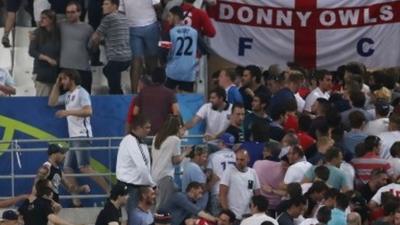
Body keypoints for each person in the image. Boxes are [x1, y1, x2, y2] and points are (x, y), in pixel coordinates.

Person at [48, 70, 109, 206]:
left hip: (82, 135)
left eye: (63, 79)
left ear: (71, 79)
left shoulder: (82, 93)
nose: (62, 82)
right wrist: (57, 84)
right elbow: (52, 102)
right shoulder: (68, 95)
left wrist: (68, 112)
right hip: (73, 137)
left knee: (84, 167)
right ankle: (76, 199)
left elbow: (89, 111)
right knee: (68, 168)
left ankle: (110, 192)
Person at [116, 114, 155, 223]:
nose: (149, 130)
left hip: (135, 187)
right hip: (131, 188)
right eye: (147, 127)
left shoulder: (139, 142)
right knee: (134, 220)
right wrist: (152, 185)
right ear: (138, 128)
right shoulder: (131, 141)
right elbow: (142, 167)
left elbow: (145, 167)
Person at [90, 0, 131, 94]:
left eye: (106, 4)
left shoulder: (108, 18)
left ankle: (118, 96)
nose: (102, 6)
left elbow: (95, 37)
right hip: (127, 58)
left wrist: (92, 47)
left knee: (108, 72)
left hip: (116, 58)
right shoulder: (124, 17)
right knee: (111, 72)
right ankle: (118, 92)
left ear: (114, 6)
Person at [118, 0, 160, 93]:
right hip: (150, 24)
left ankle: (134, 93)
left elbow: (121, 11)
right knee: (152, 59)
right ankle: (154, 90)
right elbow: (157, 5)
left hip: (132, 26)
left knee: (136, 61)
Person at [151, 115, 191, 209]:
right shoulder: (175, 140)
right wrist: (185, 152)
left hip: (154, 176)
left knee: (156, 205)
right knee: (162, 207)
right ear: (178, 127)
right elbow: (176, 160)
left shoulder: (157, 137)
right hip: (165, 177)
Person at [59, 1, 94, 93]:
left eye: (73, 12)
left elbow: (93, 49)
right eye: (68, 12)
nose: (70, 15)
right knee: (65, 101)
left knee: (84, 99)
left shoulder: (88, 28)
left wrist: (96, 43)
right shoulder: (60, 25)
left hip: (83, 69)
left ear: (79, 12)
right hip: (65, 69)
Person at [133, 67, 180, 135]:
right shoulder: (170, 93)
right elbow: (176, 112)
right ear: (165, 79)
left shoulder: (143, 92)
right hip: (162, 134)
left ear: (152, 79)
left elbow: (135, 112)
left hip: (145, 133)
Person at [220, 148, 261, 219]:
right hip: (233, 214)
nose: (239, 162)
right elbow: (222, 193)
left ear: (248, 159)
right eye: (237, 159)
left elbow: (257, 193)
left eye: (242, 160)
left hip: (248, 214)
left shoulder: (252, 172)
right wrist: (227, 212)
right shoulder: (229, 171)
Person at [165, 6, 198, 93]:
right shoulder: (194, 32)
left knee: (168, 100)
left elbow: (163, 51)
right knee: (186, 102)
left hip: (173, 72)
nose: (167, 19)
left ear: (176, 17)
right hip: (189, 73)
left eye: (169, 16)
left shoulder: (170, 32)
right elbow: (205, 50)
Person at [28, 9, 60, 96]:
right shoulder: (37, 33)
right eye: (40, 18)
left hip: (55, 73)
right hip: (41, 72)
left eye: (44, 18)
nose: (41, 20)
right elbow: (32, 51)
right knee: (41, 99)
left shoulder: (58, 33)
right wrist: (48, 59)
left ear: (51, 20)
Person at [207, 133, 236, 215]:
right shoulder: (236, 156)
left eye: (219, 141)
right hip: (232, 193)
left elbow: (208, 174)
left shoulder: (213, 156)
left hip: (217, 191)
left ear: (223, 143)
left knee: (217, 219)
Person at [181, 145, 211, 210]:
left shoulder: (191, 165)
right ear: (197, 156)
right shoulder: (194, 168)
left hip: (193, 207)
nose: (205, 159)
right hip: (196, 209)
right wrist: (214, 180)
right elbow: (202, 189)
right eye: (204, 156)